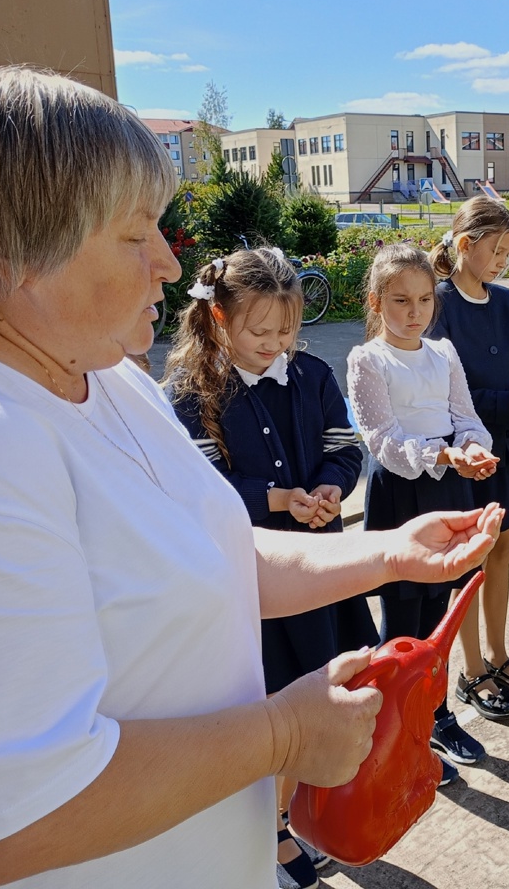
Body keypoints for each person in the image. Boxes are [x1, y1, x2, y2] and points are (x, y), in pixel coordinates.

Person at [0, 66, 503, 889]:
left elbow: (215, 553)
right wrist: (282, 736)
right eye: (137, 235)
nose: (170, 265)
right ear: (18, 250)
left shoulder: (96, 365)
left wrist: (385, 553)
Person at [165, 246, 368, 888]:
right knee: (268, 707)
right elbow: (198, 487)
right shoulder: (191, 393)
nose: (276, 345)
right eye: (260, 331)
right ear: (219, 319)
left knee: (317, 693)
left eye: (287, 331)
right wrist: (275, 500)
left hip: (318, 567)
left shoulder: (311, 375)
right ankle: (269, 834)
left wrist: (333, 489)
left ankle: (297, 814)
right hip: (249, 581)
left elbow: (344, 448)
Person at [346, 244, 501, 779]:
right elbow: (382, 439)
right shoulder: (367, 358)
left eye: (422, 300)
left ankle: (435, 714)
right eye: (399, 300)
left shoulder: (444, 353)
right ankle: (395, 729)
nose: (414, 312)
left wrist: (475, 448)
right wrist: (441, 454)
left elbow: (466, 416)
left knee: (440, 614)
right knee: (401, 620)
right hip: (403, 493)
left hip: (450, 487)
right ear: (376, 301)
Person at [428, 197, 509, 716]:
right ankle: (470, 670)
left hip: (507, 445)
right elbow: (443, 395)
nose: (504, 260)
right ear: (464, 244)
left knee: (503, 553)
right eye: (497, 249)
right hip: (467, 453)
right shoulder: (436, 302)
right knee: (469, 563)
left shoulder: (505, 301)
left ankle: (500, 655)